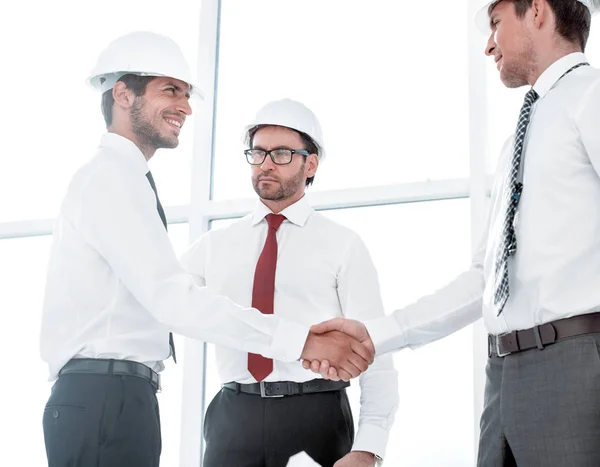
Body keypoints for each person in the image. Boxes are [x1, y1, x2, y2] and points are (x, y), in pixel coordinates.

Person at [39, 32, 374, 467]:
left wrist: (370, 441)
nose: (185, 106)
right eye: (170, 90)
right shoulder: (112, 181)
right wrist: (301, 340)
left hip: (120, 394)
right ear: (123, 93)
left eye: (185, 93)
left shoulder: (125, 181)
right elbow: (176, 299)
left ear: (312, 163)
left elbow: (170, 294)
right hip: (108, 394)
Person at [307, 1, 600, 465]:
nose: (489, 45)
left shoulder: (592, 96)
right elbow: (487, 279)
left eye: (496, 24)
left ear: (538, 12)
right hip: (503, 376)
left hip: (574, 364)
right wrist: (378, 335)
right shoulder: (516, 142)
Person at [179, 98, 399, 467]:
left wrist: (369, 447)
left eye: (281, 154)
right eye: (258, 153)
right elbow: (162, 302)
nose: (266, 164)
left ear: (310, 163)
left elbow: (376, 349)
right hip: (233, 416)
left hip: (318, 415)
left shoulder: (342, 245)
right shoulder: (212, 247)